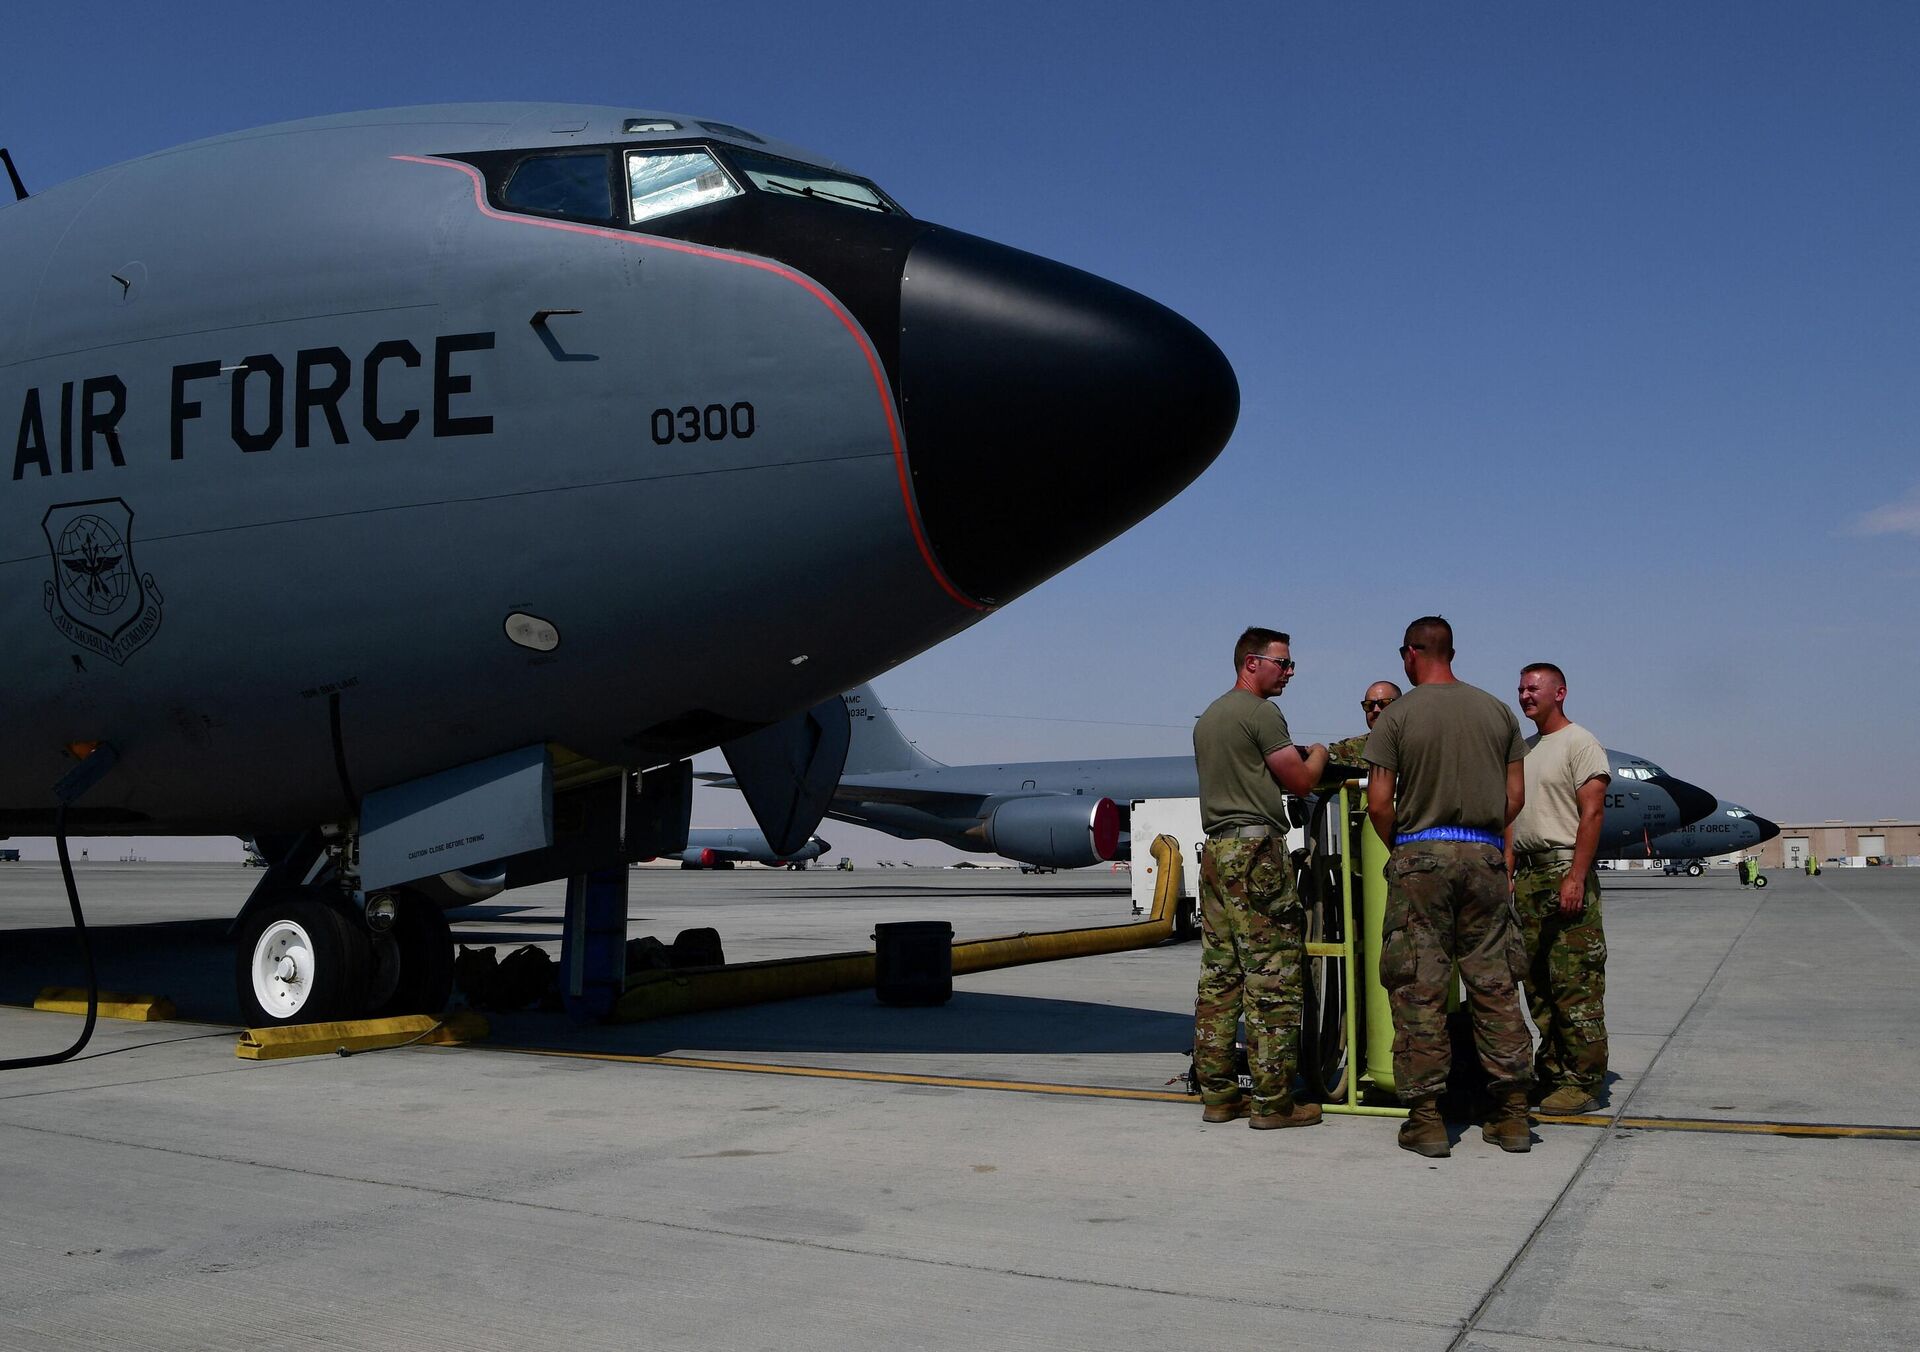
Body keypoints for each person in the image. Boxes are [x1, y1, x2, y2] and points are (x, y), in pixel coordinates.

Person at [1364, 617, 1534, 1157]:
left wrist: (1410, 850)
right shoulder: (1497, 711)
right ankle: (1510, 1114)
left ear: (1412, 653)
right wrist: (1478, 840)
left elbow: (1378, 803)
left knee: (1419, 987)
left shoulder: (1396, 716)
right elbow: (1514, 797)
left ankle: (1426, 1119)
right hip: (1485, 856)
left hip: (1421, 856)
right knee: (1494, 983)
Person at [1191, 626, 1329, 1129]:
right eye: (1283, 663)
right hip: (1255, 852)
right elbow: (1301, 779)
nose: (1289, 672)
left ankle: (1219, 1096)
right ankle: (1274, 1103)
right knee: (1273, 978)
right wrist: (1320, 752)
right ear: (1252, 663)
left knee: (1219, 977)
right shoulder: (1261, 713)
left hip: (1218, 851)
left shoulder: (1208, 718)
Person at [1507, 663, 1611, 1116]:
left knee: (1575, 982)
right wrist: (1508, 872)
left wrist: (1575, 877)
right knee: (1537, 983)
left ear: (1560, 692)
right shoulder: (1525, 750)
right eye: (1522, 689)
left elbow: (1592, 814)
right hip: (1529, 876)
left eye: (1534, 688)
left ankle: (1584, 1080)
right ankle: (1552, 1073)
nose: (1526, 695)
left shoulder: (1580, 742)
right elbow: (1511, 818)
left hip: (1564, 868)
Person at [1326, 681, 1402, 771]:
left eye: (1384, 704)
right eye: (1369, 705)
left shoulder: (1417, 746)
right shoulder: (1349, 750)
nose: (1375, 710)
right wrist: (1318, 751)